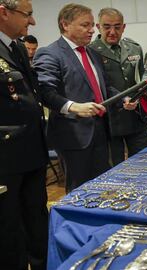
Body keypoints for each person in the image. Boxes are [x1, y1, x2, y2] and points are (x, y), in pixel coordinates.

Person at [33, 3, 135, 192]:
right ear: (65, 25)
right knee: (79, 190)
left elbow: (105, 86)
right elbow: (44, 91)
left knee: (101, 186)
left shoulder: (93, 54)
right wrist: (73, 106)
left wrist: (122, 99)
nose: (91, 30)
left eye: (92, 25)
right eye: (85, 25)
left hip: (101, 131)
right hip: (74, 135)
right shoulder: (50, 53)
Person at [0, 0, 49, 269]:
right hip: (5, 157)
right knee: (10, 230)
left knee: (37, 222)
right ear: (3, 12)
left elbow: (31, 93)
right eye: (27, 15)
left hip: (32, 151)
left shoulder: (17, 47)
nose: (32, 22)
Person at [89, 7, 147, 166]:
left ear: (123, 27)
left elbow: (143, 72)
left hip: (136, 115)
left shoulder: (134, 47)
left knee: (142, 162)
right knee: (114, 167)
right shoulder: (91, 51)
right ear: (98, 27)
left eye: (117, 27)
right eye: (107, 26)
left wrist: (144, 85)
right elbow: (101, 85)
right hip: (110, 120)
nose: (112, 31)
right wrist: (124, 98)